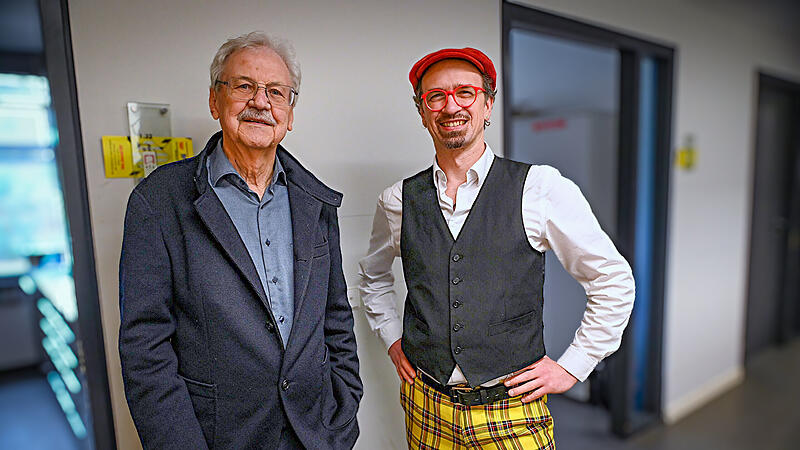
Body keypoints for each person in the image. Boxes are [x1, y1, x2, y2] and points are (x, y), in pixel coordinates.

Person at [358, 47, 635, 448]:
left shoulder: (540, 189)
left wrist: (573, 367)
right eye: (435, 96)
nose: (450, 105)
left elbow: (612, 279)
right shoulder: (397, 200)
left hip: (512, 409)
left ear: (488, 104)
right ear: (422, 112)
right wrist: (390, 336)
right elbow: (373, 275)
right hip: (426, 405)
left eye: (465, 93)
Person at [119, 32, 361, 449]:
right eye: (244, 86)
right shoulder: (159, 202)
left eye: (276, 92)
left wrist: (341, 418)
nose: (261, 102)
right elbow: (146, 351)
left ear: (289, 112)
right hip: (221, 439)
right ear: (215, 101)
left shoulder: (315, 201)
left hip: (314, 433)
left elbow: (335, 319)